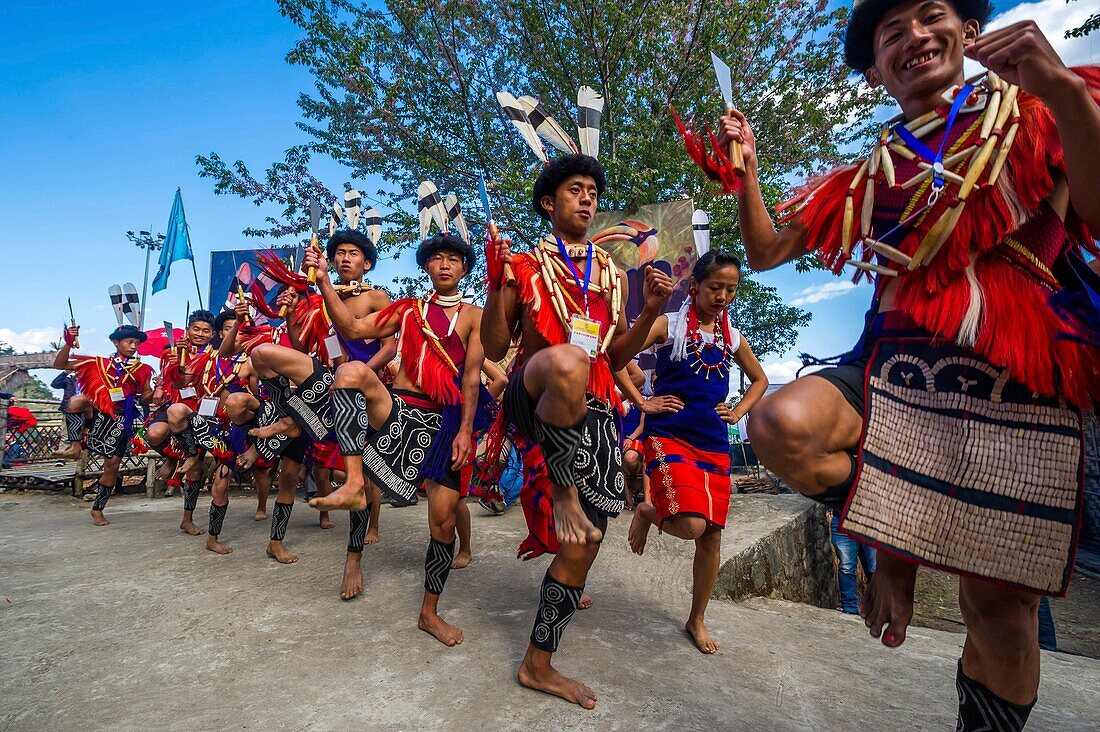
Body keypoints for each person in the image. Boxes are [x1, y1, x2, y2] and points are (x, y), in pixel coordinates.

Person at [708, 1, 1100, 726]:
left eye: (931, 16)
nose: (915, 36)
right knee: (779, 422)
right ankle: (886, 531)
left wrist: (1067, 93)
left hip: (1017, 375)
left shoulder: (1043, 114)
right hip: (893, 367)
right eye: (893, 34)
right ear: (873, 72)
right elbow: (763, 252)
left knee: (1000, 612)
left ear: (971, 34)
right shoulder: (869, 175)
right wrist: (749, 171)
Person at [480, 153, 674, 708]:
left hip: (592, 412)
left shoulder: (611, 275)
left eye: (592, 190)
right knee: (564, 361)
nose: (587, 198)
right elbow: (495, 350)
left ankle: (537, 663)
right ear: (549, 202)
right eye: (575, 190)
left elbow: (613, 358)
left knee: (583, 546)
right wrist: (497, 282)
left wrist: (650, 311)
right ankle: (561, 492)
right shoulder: (521, 266)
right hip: (532, 394)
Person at [308, 231, 494, 642]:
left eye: (453, 259)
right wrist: (323, 281)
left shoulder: (474, 316)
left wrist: (465, 430)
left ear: (464, 269)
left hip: (445, 422)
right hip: (401, 409)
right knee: (350, 372)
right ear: (426, 267)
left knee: (443, 522)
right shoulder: (407, 310)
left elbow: (471, 377)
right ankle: (354, 482)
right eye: (437, 259)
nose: (444, 265)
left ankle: (429, 613)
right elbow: (354, 329)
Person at [626, 250, 768, 653]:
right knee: (690, 526)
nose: (723, 295)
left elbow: (759, 379)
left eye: (730, 289)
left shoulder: (731, 336)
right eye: (715, 287)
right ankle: (647, 510)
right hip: (668, 434)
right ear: (695, 287)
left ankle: (696, 618)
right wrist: (641, 400)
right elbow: (614, 355)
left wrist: (737, 410)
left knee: (712, 536)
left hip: (711, 440)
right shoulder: (667, 325)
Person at [247, 230, 395, 566]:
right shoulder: (318, 303)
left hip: (360, 393)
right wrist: (287, 318)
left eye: (353, 254)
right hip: (319, 390)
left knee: (362, 473)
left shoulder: (377, 298)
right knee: (262, 354)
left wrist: (357, 374)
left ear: (367, 263)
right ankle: (275, 540)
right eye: (339, 252)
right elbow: (301, 351)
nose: (345, 258)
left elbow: (390, 349)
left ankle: (354, 560)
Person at [53, 324, 154, 525]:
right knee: (77, 401)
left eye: (136, 343)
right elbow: (60, 364)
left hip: (120, 418)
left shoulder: (142, 370)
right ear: (116, 342)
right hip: (97, 412)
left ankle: (97, 508)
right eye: (129, 342)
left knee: (112, 466)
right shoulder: (96, 363)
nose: (134, 346)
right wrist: (68, 343)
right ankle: (74, 447)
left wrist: (158, 389)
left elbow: (145, 397)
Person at [146, 309, 216, 537]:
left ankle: (187, 519)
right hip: (174, 406)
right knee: (154, 434)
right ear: (187, 330)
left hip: (199, 413)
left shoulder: (215, 356)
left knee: (194, 472)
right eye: (196, 329)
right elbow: (171, 383)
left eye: (206, 330)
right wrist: (161, 385)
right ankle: (172, 458)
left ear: (212, 334)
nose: (200, 334)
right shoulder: (170, 354)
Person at [830, 511, 877, 615]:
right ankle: (849, 607)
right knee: (846, 567)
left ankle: (884, 607)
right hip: (842, 520)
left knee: (875, 568)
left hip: (870, 522)